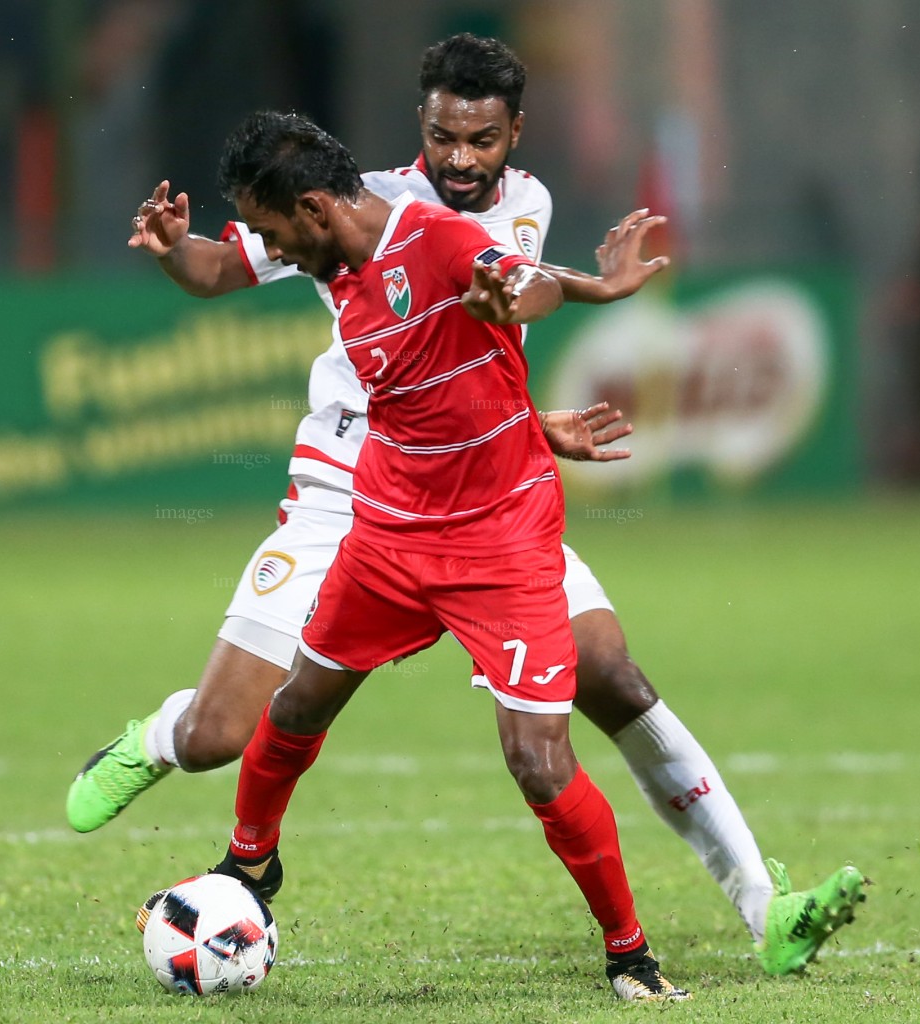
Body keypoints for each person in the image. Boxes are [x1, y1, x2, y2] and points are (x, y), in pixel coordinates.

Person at [68, 33, 865, 974]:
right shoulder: (344, 203)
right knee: (220, 736)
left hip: (487, 500)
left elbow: (501, 305)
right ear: (422, 128)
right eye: (445, 136)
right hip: (347, 494)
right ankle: (159, 736)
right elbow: (216, 269)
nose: (459, 159)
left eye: (481, 140)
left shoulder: (526, 204)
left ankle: (766, 907)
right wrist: (172, 251)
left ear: (513, 135)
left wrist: (543, 398)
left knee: (613, 674)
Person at [208, 106, 687, 1000]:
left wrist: (559, 293)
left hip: (500, 541)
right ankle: (248, 866)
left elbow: (517, 283)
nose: (275, 250)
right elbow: (434, 390)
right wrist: (534, 411)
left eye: (274, 232)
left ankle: (631, 955)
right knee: (300, 701)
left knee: (538, 761)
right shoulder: (338, 268)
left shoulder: (431, 235)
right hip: (388, 529)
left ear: (313, 210)